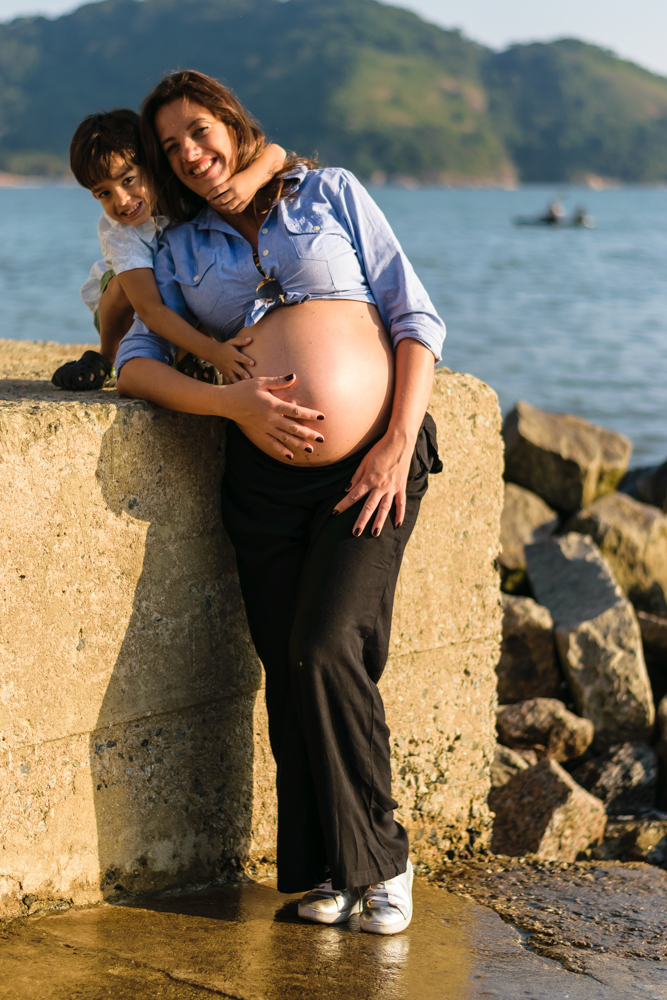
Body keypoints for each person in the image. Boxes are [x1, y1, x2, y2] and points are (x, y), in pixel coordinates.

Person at [115, 70, 446, 936]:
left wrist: (396, 443)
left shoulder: (329, 191)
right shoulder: (178, 251)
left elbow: (415, 319)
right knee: (288, 668)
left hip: (371, 465)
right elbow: (136, 365)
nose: (189, 153)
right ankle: (326, 872)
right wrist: (233, 402)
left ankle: (380, 856)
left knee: (328, 645)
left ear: (229, 120)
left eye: (199, 130)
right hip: (262, 484)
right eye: (172, 146)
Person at [52, 108, 286, 390]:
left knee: (207, 270)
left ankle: (187, 356)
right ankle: (107, 355)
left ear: (152, 164)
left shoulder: (184, 189)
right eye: (105, 193)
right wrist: (215, 353)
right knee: (122, 286)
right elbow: (149, 310)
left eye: (128, 180)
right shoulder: (121, 234)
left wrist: (247, 181)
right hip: (133, 311)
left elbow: (276, 153)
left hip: (187, 295)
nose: (122, 200)